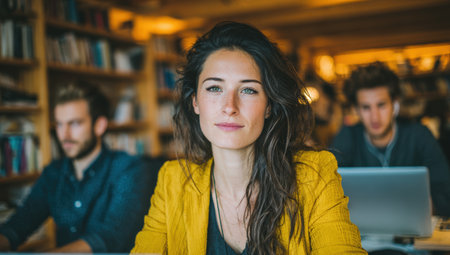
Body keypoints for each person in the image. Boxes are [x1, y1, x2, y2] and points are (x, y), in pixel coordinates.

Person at [131, 21, 366, 254]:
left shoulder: (315, 174)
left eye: (248, 90)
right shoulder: (172, 181)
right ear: (195, 102)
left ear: (268, 106)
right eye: (214, 88)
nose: (229, 107)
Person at [0, 83, 161, 252]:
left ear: (99, 126)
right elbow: (16, 227)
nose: (64, 135)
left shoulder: (128, 169)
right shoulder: (53, 173)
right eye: (60, 124)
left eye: (75, 124)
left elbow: (109, 238)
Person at [331, 62, 450, 216]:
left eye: (381, 105)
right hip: (364, 232)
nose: (375, 117)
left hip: (413, 229)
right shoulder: (347, 136)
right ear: (356, 110)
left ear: (395, 105)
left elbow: (446, 195)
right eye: (366, 107)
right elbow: (329, 189)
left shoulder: (419, 135)